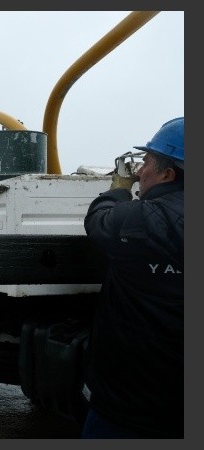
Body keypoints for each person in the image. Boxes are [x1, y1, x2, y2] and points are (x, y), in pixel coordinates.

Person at [82, 117, 184, 439]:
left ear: (168, 174)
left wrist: (118, 191)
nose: (140, 172)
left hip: (128, 407)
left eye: (147, 163)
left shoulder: (141, 217)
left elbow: (99, 222)